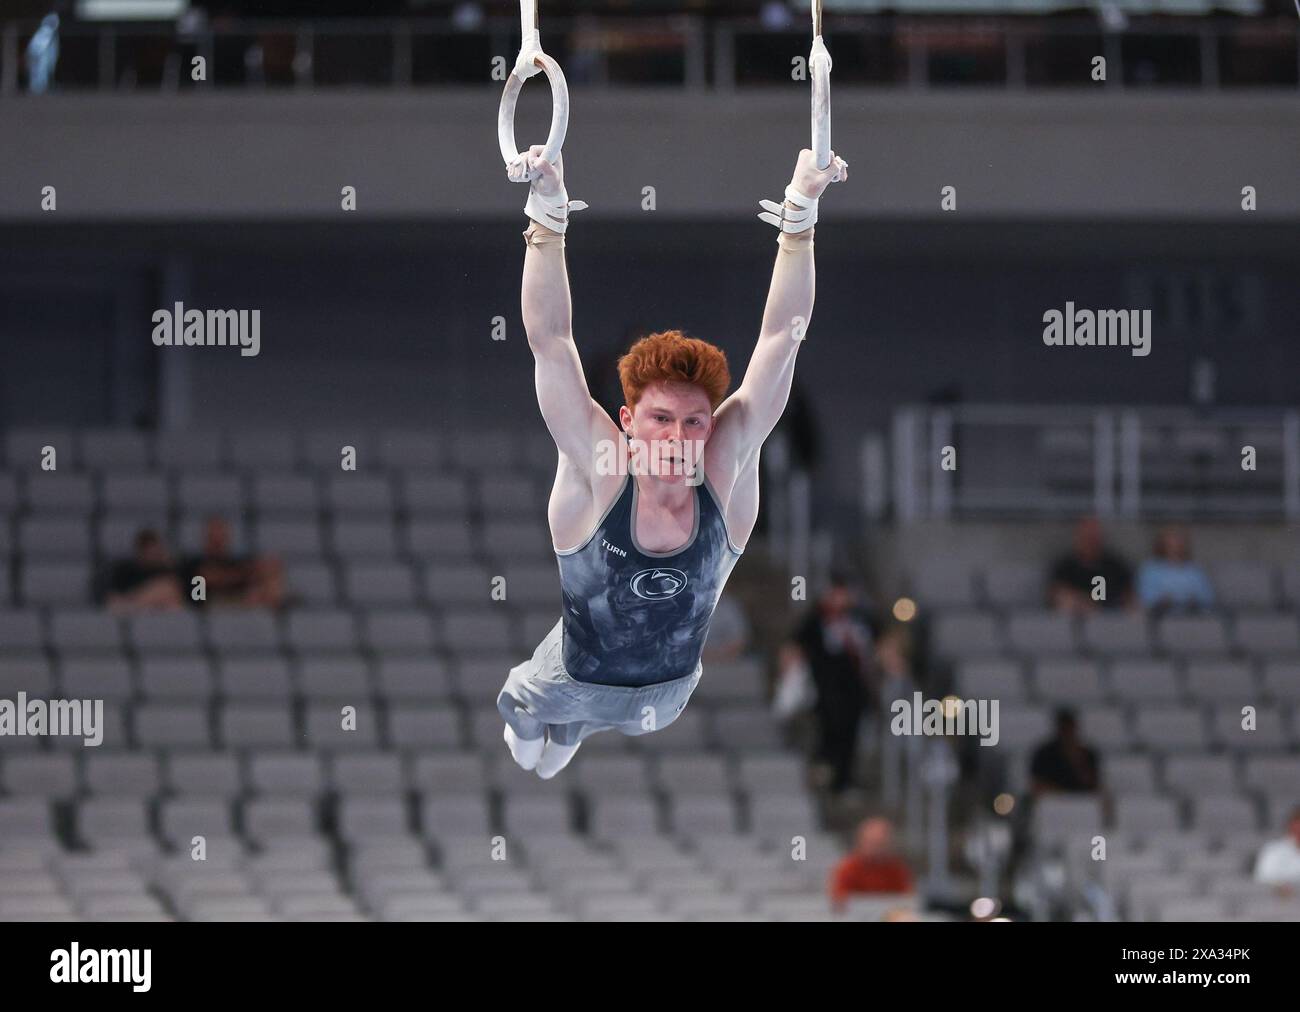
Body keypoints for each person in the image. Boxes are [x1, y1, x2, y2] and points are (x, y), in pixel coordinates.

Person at [496, 141, 848, 779]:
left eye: (694, 421)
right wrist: (546, 216)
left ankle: (571, 726)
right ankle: (558, 727)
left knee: (559, 742)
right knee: (529, 747)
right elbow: (549, 342)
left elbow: (781, 340)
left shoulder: (727, 468)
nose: (679, 436)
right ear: (627, 423)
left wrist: (800, 216)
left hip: (669, 693)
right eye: (660, 419)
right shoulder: (603, 468)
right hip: (570, 678)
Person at [783, 571, 876, 796]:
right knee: (829, 727)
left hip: (855, 687)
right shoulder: (816, 619)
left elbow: (880, 642)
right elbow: (795, 645)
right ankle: (824, 768)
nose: (840, 599)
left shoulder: (861, 618)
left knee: (850, 734)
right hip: (825, 686)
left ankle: (844, 780)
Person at [183, 516, 285, 609]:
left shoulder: (237, 562)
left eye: (220, 537)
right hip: (207, 606)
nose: (217, 541)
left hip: (240, 605)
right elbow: (208, 578)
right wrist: (246, 573)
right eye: (213, 537)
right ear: (205, 538)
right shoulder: (193, 563)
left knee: (270, 586)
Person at [1048, 516, 1134, 613]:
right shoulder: (1065, 567)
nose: (1091, 541)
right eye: (1087, 537)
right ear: (1079, 537)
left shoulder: (1116, 566)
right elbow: (1057, 594)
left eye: (1094, 537)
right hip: (1077, 619)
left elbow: (1129, 596)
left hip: (1111, 618)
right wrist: (1084, 603)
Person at [828, 816, 914, 912]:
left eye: (882, 844)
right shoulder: (848, 868)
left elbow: (907, 900)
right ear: (861, 842)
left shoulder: (897, 869)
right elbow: (839, 900)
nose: (877, 849)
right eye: (873, 843)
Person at [1136, 525, 1214, 614]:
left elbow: (1207, 599)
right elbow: (1145, 598)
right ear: (1162, 543)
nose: (1176, 544)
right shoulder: (1151, 569)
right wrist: (1162, 601)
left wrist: (1194, 602)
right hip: (1161, 618)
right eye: (1172, 540)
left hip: (1191, 618)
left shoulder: (1195, 570)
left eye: (1179, 540)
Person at [104, 529, 184, 614]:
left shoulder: (169, 571)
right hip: (135, 617)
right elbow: (112, 601)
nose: (153, 553)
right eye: (148, 549)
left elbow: (176, 600)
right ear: (140, 551)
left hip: (161, 617)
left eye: (156, 549)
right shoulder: (125, 571)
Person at [1029, 708, 1101, 796]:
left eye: (1070, 728)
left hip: (1083, 802)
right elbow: (1037, 784)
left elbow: (1094, 784)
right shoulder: (1044, 754)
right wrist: (1062, 795)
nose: (1068, 733)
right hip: (1053, 802)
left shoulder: (1087, 754)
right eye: (1064, 729)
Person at [1253, 807, 1300, 895]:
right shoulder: (1272, 851)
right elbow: (1262, 881)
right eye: (1297, 824)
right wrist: (1280, 886)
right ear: (1290, 825)